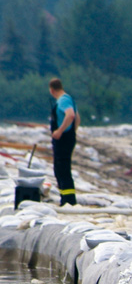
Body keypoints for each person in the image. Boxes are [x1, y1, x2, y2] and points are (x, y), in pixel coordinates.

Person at [49, 78, 80, 206]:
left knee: (62, 169)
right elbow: (77, 118)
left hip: (63, 139)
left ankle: (69, 201)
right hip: (68, 137)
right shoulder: (69, 98)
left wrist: (60, 131)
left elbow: (71, 115)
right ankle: (65, 198)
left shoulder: (63, 100)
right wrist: (73, 131)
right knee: (60, 168)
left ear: (52, 90)